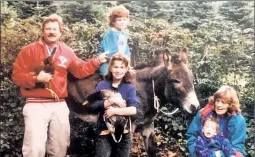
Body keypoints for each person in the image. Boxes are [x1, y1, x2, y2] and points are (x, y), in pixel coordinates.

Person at [12, 14, 107, 157]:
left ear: (60, 32)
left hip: (59, 105)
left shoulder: (66, 51)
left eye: (55, 29)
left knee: (59, 148)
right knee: (34, 148)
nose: (51, 32)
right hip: (35, 104)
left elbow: (80, 70)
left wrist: (97, 61)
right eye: (48, 29)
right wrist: (36, 78)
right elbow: (16, 76)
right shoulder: (28, 50)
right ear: (43, 31)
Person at [89, 53, 139, 157]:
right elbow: (92, 106)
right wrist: (111, 100)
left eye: (122, 67)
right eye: (116, 67)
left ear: (126, 70)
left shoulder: (129, 88)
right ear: (111, 68)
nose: (118, 70)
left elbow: (133, 110)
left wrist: (114, 111)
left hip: (124, 133)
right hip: (104, 132)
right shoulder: (102, 85)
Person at [186, 85, 246, 157]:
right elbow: (191, 136)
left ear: (231, 105)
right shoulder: (204, 113)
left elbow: (237, 147)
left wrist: (214, 155)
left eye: (223, 102)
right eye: (217, 101)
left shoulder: (238, 120)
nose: (219, 105)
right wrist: (196, 154)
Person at [98, 5, 131, 76]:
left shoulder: (123, 34)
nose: (122, 22)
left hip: (121, 61)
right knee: (111, 76)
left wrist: (127, 60)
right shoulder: (110, 34)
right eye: (119, 20)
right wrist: (120, 63)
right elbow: (111, 53)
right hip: (108, 62)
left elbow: (126, 49)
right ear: (113, 22)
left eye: (124, 19)